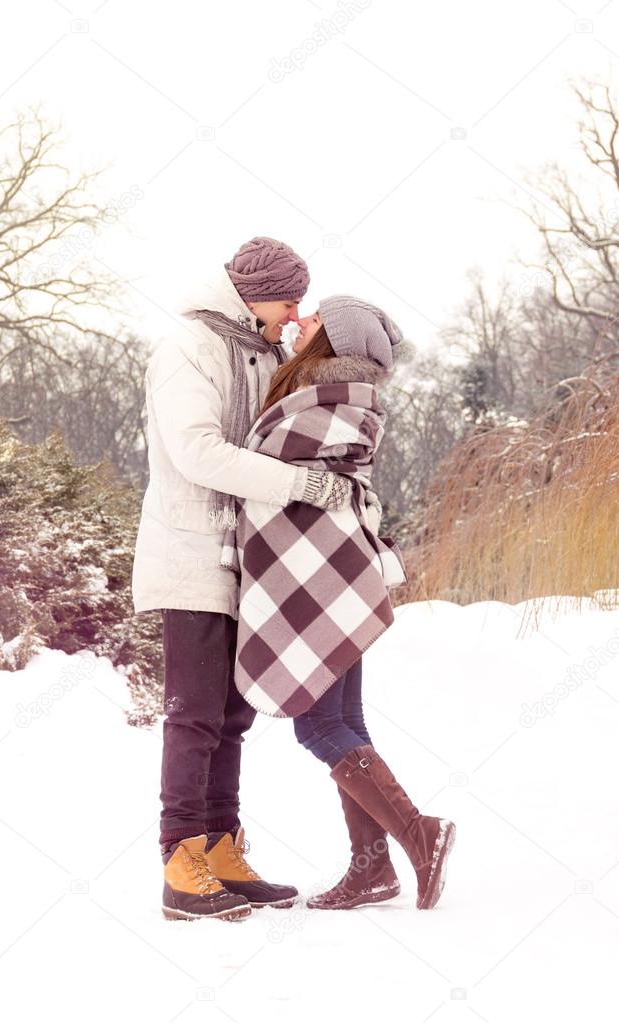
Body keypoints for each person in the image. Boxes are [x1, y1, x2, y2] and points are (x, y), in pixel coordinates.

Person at [132, 237, 355, 922]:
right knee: (194, 713)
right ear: (256, 292)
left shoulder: (263, 352)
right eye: (289, 299)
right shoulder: (189, 349)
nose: (295, 313)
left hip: (247, 564)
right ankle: (180, 860)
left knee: (233, 715)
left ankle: (222, 848)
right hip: (192, 555)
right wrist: (302, 483)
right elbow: (198, 451)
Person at [224, 297, 456, 912]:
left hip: (318, 576)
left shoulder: (326, 404)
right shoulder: (336, 400)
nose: (301, 322)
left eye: (315, 319)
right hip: (336, 577)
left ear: (335, 340)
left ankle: (418, 834)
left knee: (319, 725)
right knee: (344, 723)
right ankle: (372, 869)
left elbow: (258, 473)